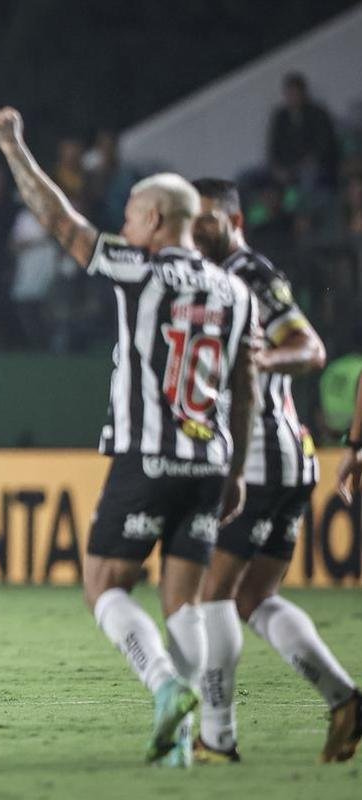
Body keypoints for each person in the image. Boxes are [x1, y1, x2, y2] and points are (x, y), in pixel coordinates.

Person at [0, 107, 258, 767]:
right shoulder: (236, 291)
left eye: (133, 217)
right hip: (210, 461)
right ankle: (187, 744)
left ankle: (165, 686)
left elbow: (59, 222)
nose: (127, 227)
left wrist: (15, 149)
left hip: (149, 457)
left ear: (157, 221)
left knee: (104, 587)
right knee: (183, 603)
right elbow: (246, 387)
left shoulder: (138, 267)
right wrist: (237, 472)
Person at [191, 177, 360, 764]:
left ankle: (217, 736)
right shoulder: (215, 275)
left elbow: (310, 349)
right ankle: (345, 699)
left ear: (234, 221)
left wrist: (255, 360)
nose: (196, 229)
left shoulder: (250, 273)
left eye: (207, 218)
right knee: (252, 598)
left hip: (261, 460)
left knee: (211, 594)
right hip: (283, 459)